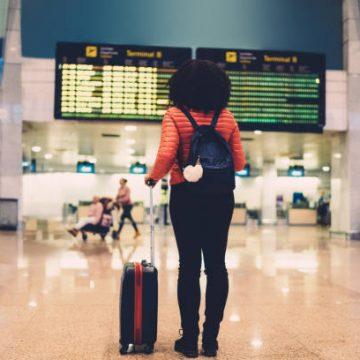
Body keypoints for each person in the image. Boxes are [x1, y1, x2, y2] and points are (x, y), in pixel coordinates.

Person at [145, 60, 246, 358]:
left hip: (186, 195)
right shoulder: (226, 117)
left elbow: (166, 153)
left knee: (188, 266)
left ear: (181, 86)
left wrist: (153, 177)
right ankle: (211, 341)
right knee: (217, 266)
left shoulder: (175, 115)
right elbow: (239, 163)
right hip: (220, 196)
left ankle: (189, 340)